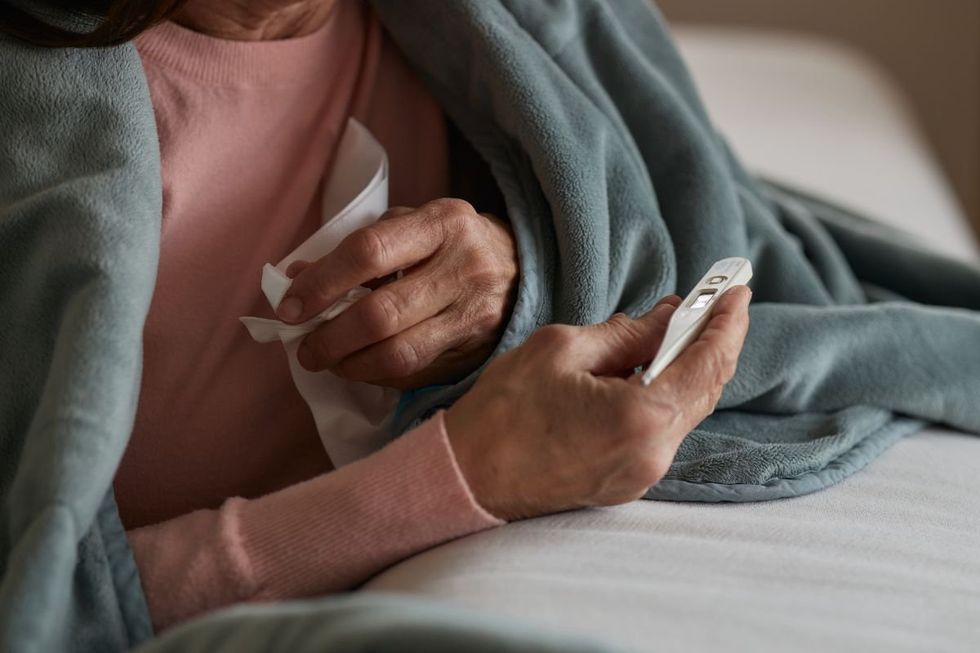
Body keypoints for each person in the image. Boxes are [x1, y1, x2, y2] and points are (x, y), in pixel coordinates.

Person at [0, 0, 750, 631]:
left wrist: (529, 278)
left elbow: (695, 230)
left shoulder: (499, 31)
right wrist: (470, 471)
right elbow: (38, 604)